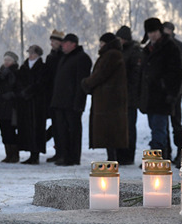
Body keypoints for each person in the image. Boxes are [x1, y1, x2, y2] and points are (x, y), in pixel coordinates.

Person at [139, 18, 182, 160]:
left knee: (159, 129)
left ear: (160, 31)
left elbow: (177, 72)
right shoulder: (147, 50)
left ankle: (157, 157)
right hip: (150, 96)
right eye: (150, 32)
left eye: (154, 31)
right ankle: (161, 155)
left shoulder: (170, 47)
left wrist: (171, 92)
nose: (152, 35)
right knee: (155, 128)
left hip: (163, 96)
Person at [81, 32, 128, 161]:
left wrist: (86, 83)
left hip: (109, 100)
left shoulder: (111, 55)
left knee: (110, 131)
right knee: (111, 131)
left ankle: (113, 158)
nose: (100, 45)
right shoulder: (112, 55)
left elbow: (100, 74)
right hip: (109, 99)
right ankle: (113, 157)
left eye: (101, 43)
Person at [49, 33, 92, 166]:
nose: (62, 45)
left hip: (72, 103)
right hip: (61, 102)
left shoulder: (82, 58)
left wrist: (78, 102)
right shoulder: (65, 58)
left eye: (65, 43)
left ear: (73, 44)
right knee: (62, 131)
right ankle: (64, 155)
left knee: (73, 131)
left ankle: (72, 157)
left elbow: (81, 83)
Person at [16, 44, 50, 164]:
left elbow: (42, 83)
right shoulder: (24, 67)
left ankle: (35, 154)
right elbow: (19, 81)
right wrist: (22, 92)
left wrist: (29, 91)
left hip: (37, 103)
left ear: (38, 54)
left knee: (37, 128)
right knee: (27, 128)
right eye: (29, 53)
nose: (30, 55)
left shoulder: (42, 67)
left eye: (33, 53)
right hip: (25, 103)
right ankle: (30, 152)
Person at [114, 25, 142, 166]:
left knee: (129, 127)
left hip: (129, 96)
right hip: (121, 96)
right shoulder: (121, 51)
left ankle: (128, 155)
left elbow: (134, 76)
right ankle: (120, 154)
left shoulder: (134, 52)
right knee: (122, 126)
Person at [163, 21, 182, 164]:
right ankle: (166, 152)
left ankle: (180, 151)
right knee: (164, 124)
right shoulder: (161, 47)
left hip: (176, 91)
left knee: (176, 122)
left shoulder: (179, 47)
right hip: (164, 91)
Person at [0, 51, 20, 163]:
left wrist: (12, 94)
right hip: (1, 105)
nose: (6, 62)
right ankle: (8, 154)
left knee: (10, 130)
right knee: (4, 130)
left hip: (11, 106)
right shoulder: (1, 73)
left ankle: (14, 154)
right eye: (5, 60)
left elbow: (18, 87)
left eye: (9, 60)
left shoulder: (17, 72)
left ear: (14, 61)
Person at [45, 29, 64, 162]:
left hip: (60, 94)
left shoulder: (62, 57)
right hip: (51, 94)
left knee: (60, 125)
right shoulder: (51, 57)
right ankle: (58, 151)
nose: (52, 43)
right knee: (56, 124)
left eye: (54, 41)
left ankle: (62, 151)